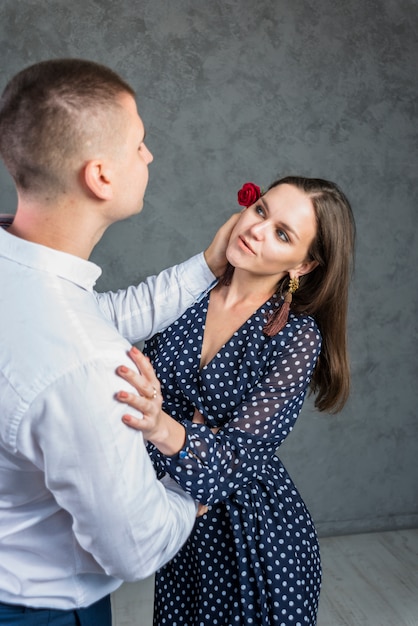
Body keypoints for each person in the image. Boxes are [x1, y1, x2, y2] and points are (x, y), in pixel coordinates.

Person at [0, 58, 237, 625]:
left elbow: (96, 314)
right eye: (139, 144)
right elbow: (137, 546)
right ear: (100, 175)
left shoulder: (32, 284)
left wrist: (207, 266)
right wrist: (193, 488)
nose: (149, 156)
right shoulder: (88, 366)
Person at [114, 176, 356, 625]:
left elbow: (237, 456)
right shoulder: (187, 295)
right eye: (261, 210)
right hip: (180, 529)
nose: (257, 230)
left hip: (254, 541)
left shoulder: (296, 338)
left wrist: (158, 424)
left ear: (303, 266)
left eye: (283, 234)